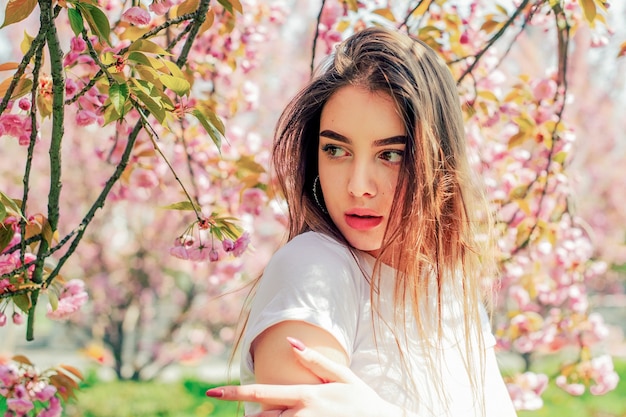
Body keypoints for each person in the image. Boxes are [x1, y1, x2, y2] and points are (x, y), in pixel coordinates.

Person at [206, 26, 518, 417]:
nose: (358, 187)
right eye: (336, 149)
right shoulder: (315, 268)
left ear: (439, 164)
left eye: (391, 155)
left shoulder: (449, 288)